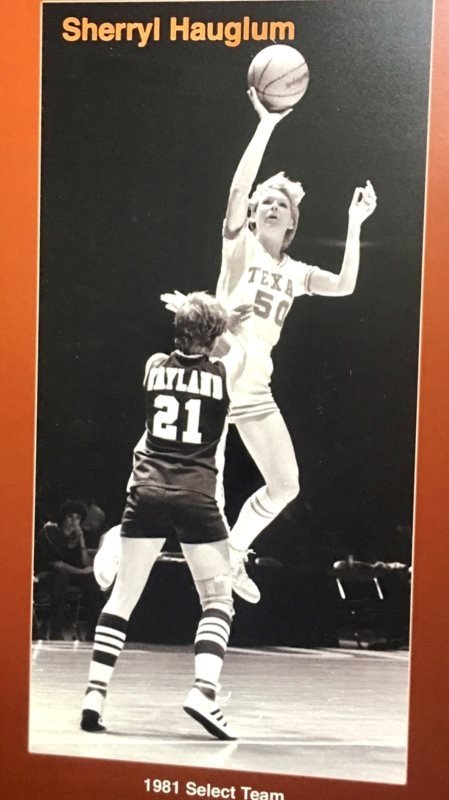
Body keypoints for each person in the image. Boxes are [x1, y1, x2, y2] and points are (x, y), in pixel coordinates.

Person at [163, 88, 377, 604]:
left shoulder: (297, 272)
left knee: (287, 485)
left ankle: (235, 554)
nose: (272, 205)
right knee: (201, 492)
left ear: (292, 222)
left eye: (282, 202)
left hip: (255, 388)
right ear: (254, 217)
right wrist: (267, 124)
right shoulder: (238, 250)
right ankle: (202, 582)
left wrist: (354, 224)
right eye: (266, 202)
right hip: (213, 380)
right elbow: (238, 191)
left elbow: (346, 285)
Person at [81, 292, 246, 740]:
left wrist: (193, 318)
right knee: (217, 600)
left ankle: (94, 695)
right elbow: (230, 348)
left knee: (121, 599)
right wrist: (225, 323)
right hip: (195, 494)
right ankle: (203, 693)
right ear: (212, 338)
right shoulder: (226, 368)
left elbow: (193, 343)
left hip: (147, 489)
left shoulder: (154, 365)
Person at [34, 499, 103, 640]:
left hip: (70, 573)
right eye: (70, 517)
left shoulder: (78, 535)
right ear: (63, 517)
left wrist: (81, 539)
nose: (74, 521)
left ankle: (94, 631)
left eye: (78, 518)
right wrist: (81, 572)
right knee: (62, 575)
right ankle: (56, 630)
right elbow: (57, 564)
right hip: (47, 573)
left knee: (91, 580)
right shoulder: (51, 530)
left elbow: (85, 562)